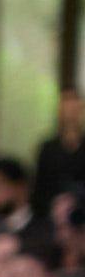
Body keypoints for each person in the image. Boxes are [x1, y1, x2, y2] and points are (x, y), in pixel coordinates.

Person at [36, 89, 85, 231]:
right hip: (51, 220)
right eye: (66, 104)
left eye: (74, 104)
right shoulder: (48, 149)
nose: (70, 110)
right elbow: (40, 188)